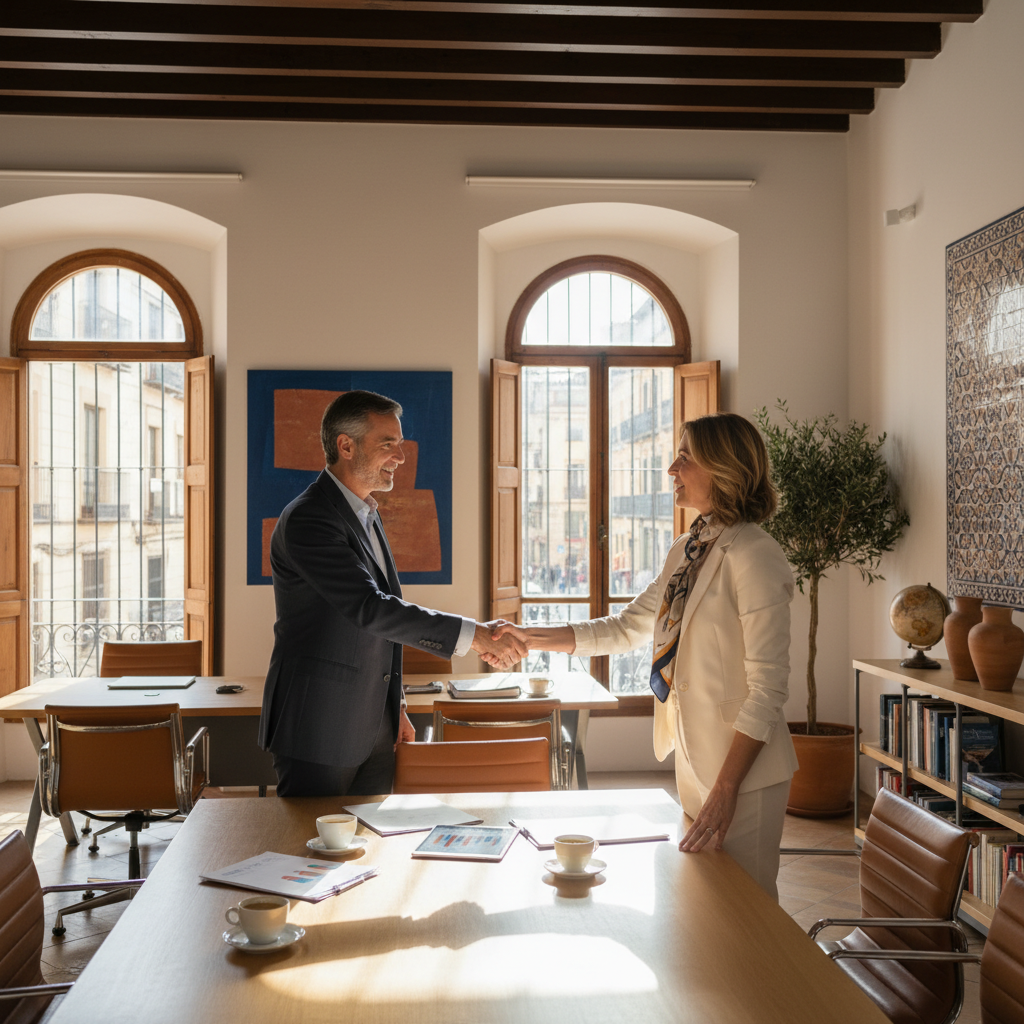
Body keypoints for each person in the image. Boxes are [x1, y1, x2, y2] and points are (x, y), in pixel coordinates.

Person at [494, 412, 798, 898]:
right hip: (697, 762)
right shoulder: (687, 549)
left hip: (744, 776)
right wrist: (531, 639)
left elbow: (769, 690)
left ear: (724, 469)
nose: (672, 469)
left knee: (749, 911)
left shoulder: (755, 554)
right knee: (704, 905)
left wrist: (726, 789)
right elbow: (627, 627)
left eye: (686, 458)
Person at [259, 390, 525, 797]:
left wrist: (394, 707)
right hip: (319, 728)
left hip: (375, 729)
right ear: (345, 446)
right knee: (307, 852)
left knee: (367, 849)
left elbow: (379, 627)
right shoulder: (309, 519)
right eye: (388, 445)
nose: (401, 457)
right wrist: (474, 635)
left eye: (400, 444)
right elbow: (370, 609)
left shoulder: (366, 513)